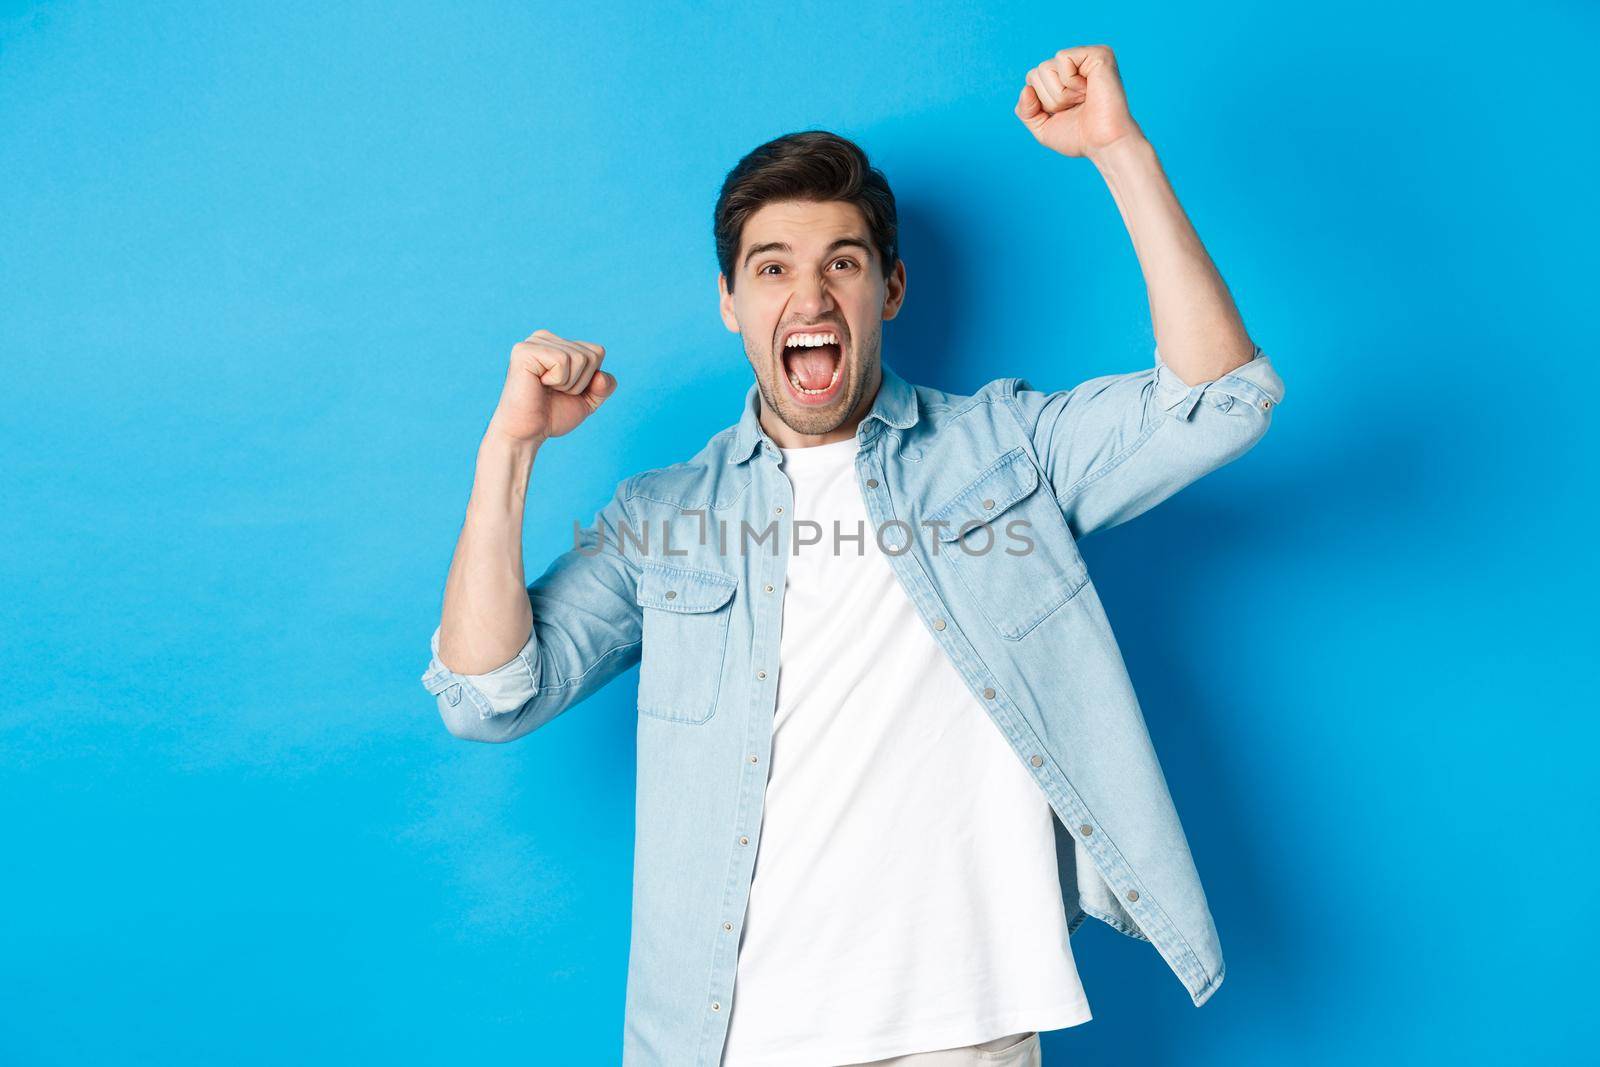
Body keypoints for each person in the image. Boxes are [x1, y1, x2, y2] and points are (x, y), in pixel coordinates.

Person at [420, 45, 1284, 1067]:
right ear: (730, 304)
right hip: (731, 1037)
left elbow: (1218, 403)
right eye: (771, 266)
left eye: (842, 260)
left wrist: (1118, 150)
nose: (810, 292)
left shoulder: (1003, 448)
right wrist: (508, 449)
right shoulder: (665, 516)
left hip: (962, 1031)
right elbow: (486, 694)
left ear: (891, 286)